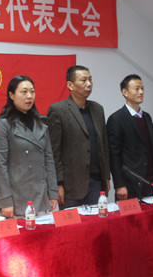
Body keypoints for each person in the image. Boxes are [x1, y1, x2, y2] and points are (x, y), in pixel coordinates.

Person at [0, 75, 59, 217]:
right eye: (24, 92)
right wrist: (5, 201)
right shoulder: (4, 124)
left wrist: (53, 192)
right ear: (11, 95)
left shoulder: (41, 122)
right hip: (17, 199)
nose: (29, 96)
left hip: (42, 196)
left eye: (32, 91)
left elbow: (49, 160)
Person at [47, 65, 110, 208]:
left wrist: (106, 176)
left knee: (98, 221)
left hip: (97, 183)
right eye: (83, 80)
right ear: (70, 85)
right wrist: (58, 184)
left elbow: (104, 146)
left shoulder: (98, 109)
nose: (89, 84)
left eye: (90, 80)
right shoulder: (58, 110)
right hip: (71, 187)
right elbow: (53, 152)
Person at [107, 74, 153, 199]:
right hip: (130, 183)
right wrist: (119, 185)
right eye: (137, 89)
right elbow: (114, 155)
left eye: (142, 88)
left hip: (150, 181)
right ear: (125, 92)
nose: (141, 92)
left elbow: (152, 150)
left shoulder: (146, 117)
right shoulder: (116, 119)